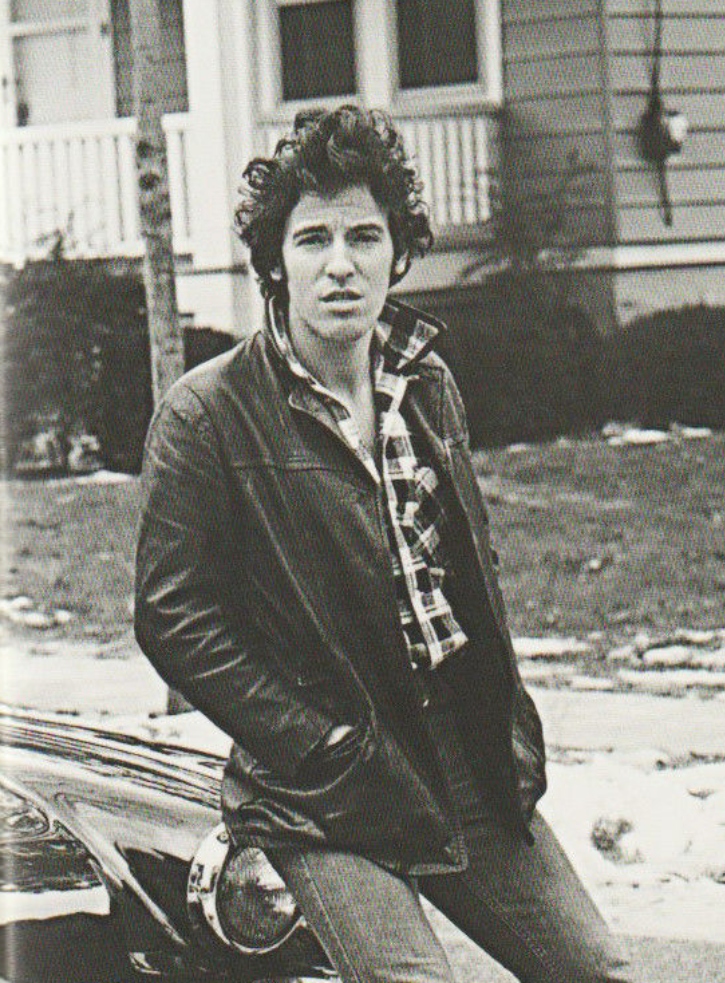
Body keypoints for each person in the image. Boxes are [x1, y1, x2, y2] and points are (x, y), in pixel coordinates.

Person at [134, 105, 634, 983]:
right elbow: (173, 618)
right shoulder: (207, 413)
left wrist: (505, 727)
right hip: (323, 783)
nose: (341, 264)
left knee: (601, 972)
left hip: (458, 755)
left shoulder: (425, 381)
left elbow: (461, 570)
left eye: (364, 236)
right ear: (275, 263)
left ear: (397, 252)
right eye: (313, 239)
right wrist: (316, 740)